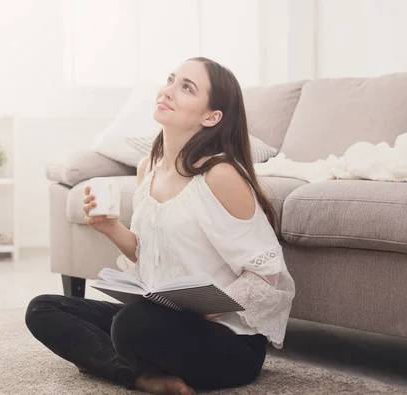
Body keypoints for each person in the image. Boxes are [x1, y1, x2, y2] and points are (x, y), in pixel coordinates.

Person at [26, 57, 295, 395]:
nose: (168, 90)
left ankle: (106, 359)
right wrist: (110, 228)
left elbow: (268, 273)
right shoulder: (147, 169)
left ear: (211, 116)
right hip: (164, 319)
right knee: (43, 309)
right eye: (171, 80)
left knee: (131, 325)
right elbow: (146, 252)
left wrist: (211, 308)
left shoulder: (221, 175)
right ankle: (138, 377)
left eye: (186, 87)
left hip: (229, 341)